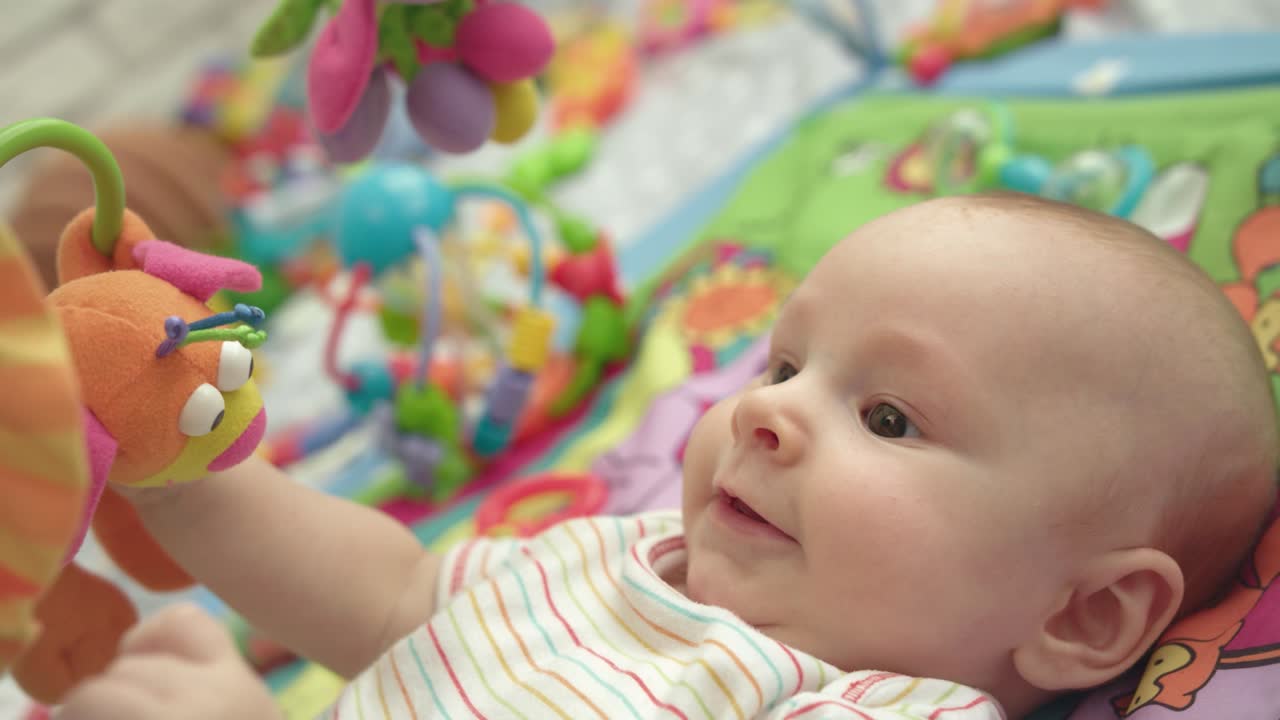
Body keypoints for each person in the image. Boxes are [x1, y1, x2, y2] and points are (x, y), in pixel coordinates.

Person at [53, 193, 1279, 720]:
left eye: (889, 418)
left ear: (1086, 612)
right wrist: (191, 467)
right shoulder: (625, 560)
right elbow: (384, 596)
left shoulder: (877, 706)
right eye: (782, 368)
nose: (767, 415)